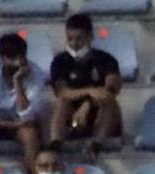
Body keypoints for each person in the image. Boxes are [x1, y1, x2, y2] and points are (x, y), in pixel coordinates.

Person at [0, 33, 49, 174]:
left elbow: (27, 115)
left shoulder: (37, 73)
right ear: (2, 58)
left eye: (21, 56)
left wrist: (17, 82)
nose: (19, 62)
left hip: (21, 123)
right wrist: (9, 124)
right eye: (13, 58)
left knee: (30, 135)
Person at [49, 13, 123, 162]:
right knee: (62, 102)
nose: (74, 43)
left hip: (100, 114)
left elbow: (111, 90)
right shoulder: (60, 61)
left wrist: (87, 105)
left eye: (78, 38)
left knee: (109, 102)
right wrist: (90, 91)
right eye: (70, 39)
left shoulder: (106, 59)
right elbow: (62, 92)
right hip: (73, 115)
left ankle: (96, 145)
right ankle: (56, 145)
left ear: (89, 37)